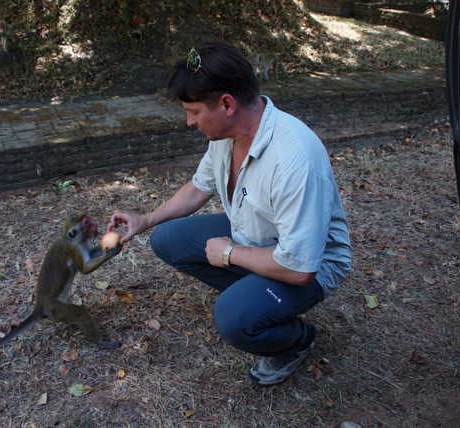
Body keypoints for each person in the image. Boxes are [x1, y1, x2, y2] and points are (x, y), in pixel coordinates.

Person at [107, 42, 351, 386]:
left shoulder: (294, 159)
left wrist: (229, 253)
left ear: (226, 104)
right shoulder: (227, 135)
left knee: (232, 318)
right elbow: (198, 188)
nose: (189, 121)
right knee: (167, 238)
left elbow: (300, 268)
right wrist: (145, 219)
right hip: (257, 234)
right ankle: (256, 293)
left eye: (192, 111)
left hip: (309, 263)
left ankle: (296, 340)